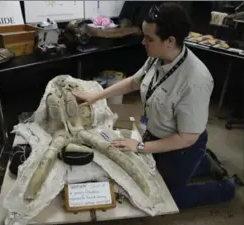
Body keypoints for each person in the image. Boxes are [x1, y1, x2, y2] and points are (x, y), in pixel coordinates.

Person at [73, 2, 236, 209]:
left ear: (170, 41)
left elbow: (186, 138)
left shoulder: (195, 80)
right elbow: (134, 81)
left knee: (167, 198)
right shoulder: (158, 57)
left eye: (149, 39)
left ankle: (226, 188)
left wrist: (140, 146)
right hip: (156, 133)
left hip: (183, 146)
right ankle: (203, 164)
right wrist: (95, 96)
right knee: (152, 174)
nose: (143, 42)